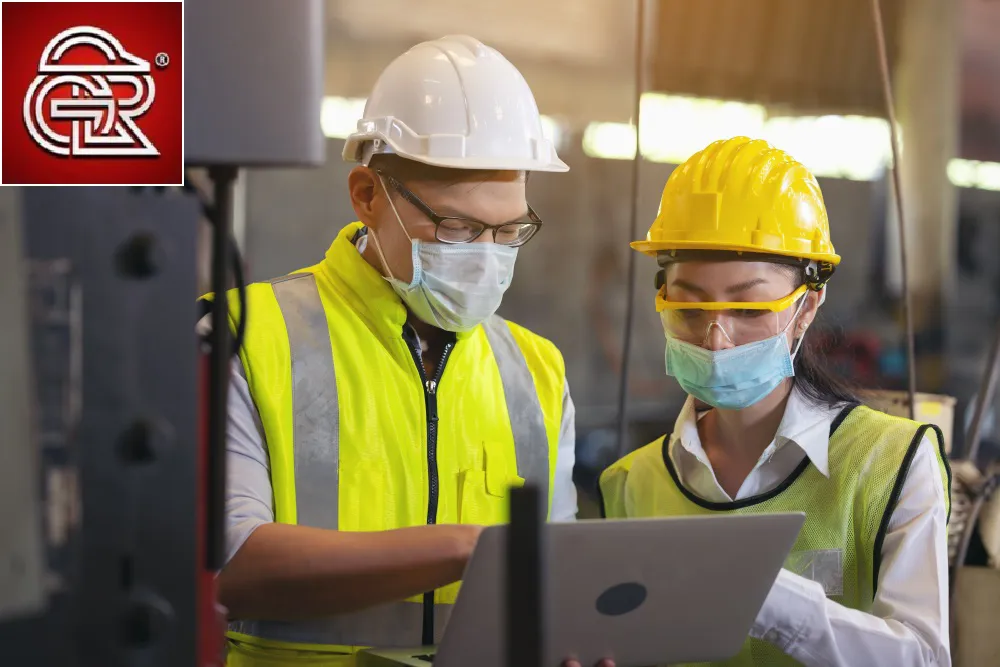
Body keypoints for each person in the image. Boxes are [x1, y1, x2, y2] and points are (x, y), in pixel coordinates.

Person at [211, 35, 578, 666]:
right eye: (457, 227)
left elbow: (555, 579)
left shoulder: (536, 371)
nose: (485, 255)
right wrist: (463, 548)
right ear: (366, 194)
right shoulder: (245, 336)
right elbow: (229, 565)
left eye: (509, 230)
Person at [599, 137, 952, 666]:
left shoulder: (889, 463)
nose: (716, 340)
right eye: (689, 309)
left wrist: (763, 594)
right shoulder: (632, 483)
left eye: (748, 309)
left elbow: (923, 657)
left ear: (807, 307)